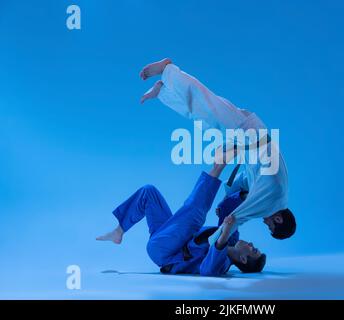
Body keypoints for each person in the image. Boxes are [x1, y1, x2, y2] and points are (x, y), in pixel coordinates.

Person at [139, 58, 296, 242]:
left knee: (201, 116)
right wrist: (214, 240)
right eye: (268, 224)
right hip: (246, 133)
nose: (264, 220)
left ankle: (162, 92)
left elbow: (244, 181)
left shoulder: (274, 191)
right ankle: (168, 69)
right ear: (278, 218)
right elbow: (237, 218)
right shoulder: (272, 201)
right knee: (203, 101)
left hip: (247, 135)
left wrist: (226, 200)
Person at [96, 160, 266, 276]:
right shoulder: (232, 237)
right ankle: (119, 231)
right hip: (170, 238)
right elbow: (227, 209)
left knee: (194, 216)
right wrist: (245, 196)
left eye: (253, 250)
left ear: (243, 259)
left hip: (165, 252)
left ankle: (218, 167)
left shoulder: (223, 265)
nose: (251, 244)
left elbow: (208, 271)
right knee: (149, 192)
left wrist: (224, 234)